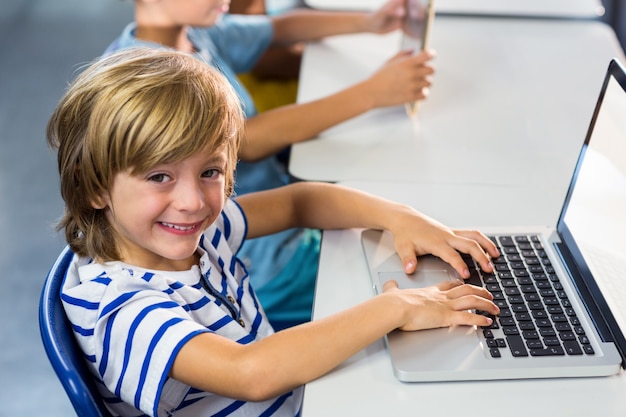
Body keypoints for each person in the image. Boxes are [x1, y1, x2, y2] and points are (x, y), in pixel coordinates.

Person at [47, 48, 497, 417]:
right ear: (95, 185)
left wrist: (400, 217)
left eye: (210, 171)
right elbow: (250, 373)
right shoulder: (121, 308)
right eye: (159, 177)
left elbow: (297, 202)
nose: (193, 201)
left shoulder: (193, 234)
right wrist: (395, 307)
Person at [102, 0, 436, 330]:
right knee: (411, 283)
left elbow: (282, 27)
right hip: (263, 259)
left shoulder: (195, 34)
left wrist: (370, 22)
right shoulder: (146, 74)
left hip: (280, 224)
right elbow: (244, 141)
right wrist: (373, 93)